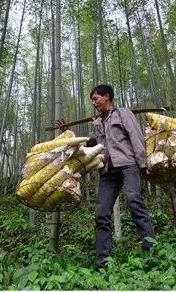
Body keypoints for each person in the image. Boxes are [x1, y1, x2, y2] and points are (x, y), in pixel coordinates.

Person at [57, 84, 155, 270]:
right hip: (108, 171)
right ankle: (103, 262)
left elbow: (135, 136)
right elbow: (91, 143)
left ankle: (151, 251)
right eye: (92, 100)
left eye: (96, 99)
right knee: (101, 213)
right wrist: (67, 133)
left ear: (107, 97)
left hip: (128, 164)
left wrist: (143, 165)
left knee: (134, 201)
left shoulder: (123, 113)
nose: (93, 103)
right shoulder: (97, 122)